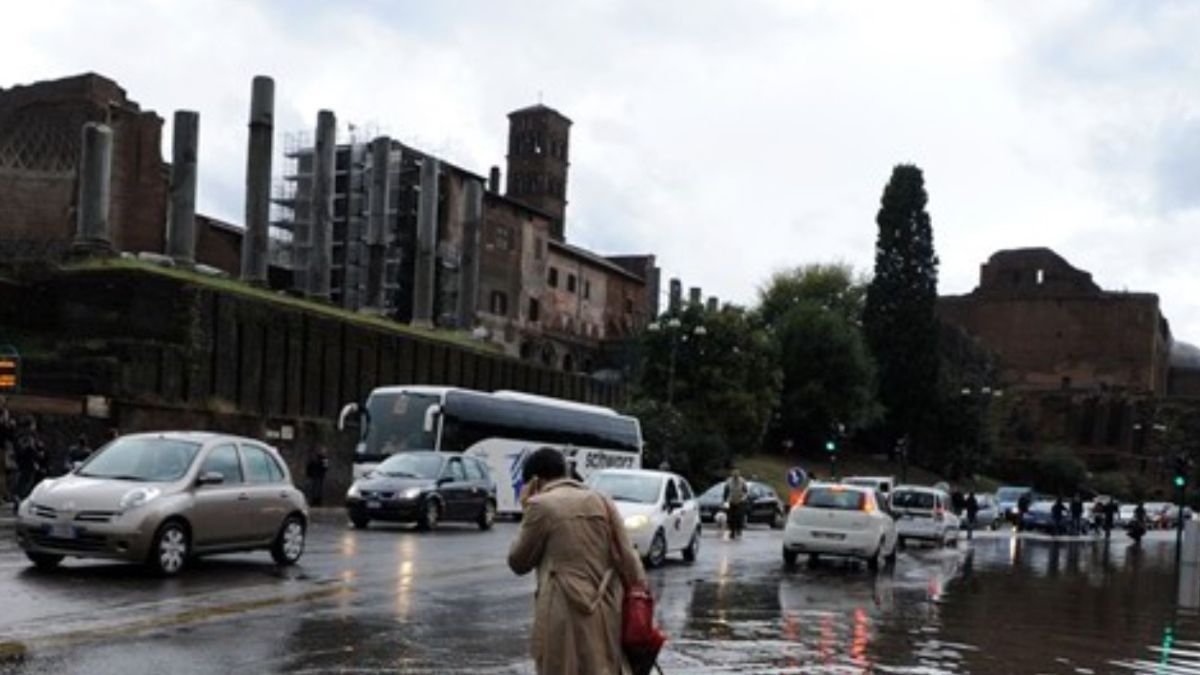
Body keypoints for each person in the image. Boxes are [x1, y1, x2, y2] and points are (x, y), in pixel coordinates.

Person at [508, 447, 646, 675]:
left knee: (562, 667)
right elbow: (631, 564)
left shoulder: (541, 506)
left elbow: (518, 562)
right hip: (606, 609)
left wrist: (526, 510)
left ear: (534, 480)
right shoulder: (602, 501)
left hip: (561, 611)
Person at [723, 468, 749, 540]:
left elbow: (746, 492)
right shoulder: (728, 481)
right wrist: (725, 503)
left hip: (740, 502)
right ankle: (732, 532)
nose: (735, 477)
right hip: (731, 501)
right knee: (730, 517)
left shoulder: (742, 481)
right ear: (732, 475)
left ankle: (739, 529)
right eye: (734, 476)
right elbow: (725, 492)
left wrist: (743, 498)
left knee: (738, 516)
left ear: (738, 475)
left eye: (736, 476)